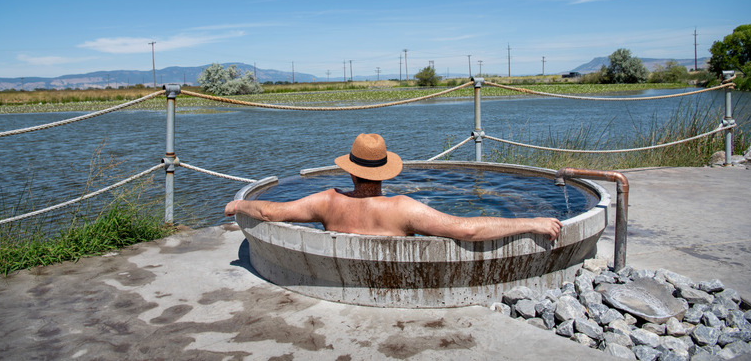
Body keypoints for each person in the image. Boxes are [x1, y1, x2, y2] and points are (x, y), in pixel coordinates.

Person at [224, 133, 562, 241]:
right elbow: (468, 230)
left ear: (351, 173)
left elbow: (269, 212)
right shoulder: (402, 208)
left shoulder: (326, 202)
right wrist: (530, 222)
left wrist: (238, 206)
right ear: (384, 174)